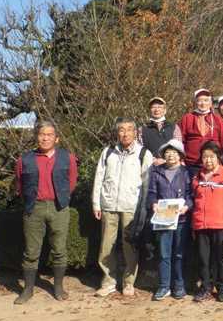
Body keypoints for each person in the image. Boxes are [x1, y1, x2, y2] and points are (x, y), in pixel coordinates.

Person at [13, 120, 78, 304]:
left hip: (59, 207)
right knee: (31, 252)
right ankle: (28, 289)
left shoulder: (68, 157)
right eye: (42, 134)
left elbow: (72, 181)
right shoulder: (24, 159)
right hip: (34, 208)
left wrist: (62, 197)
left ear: (56, 138)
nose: (45, 137)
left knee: (59, 250)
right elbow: (19, 184)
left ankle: (58, 287)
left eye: (50, 134)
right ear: (37, 137)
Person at [92, 118, 154, 297]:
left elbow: (147, 184)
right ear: (117, 133)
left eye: (129, 130)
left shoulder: (143, 153)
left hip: (131, 206)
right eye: (121, 130)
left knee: (130, 246)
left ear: (135, 133)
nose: (125, 133)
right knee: (106, 246)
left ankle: (129, 282)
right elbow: (99, 178)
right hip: (109, 205)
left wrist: (144, 208)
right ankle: (108, 281)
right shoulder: (108, 152)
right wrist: (96, 203)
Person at [191, 141, 223, 302]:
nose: (208, 160)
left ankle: (222, 289)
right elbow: (193, 199)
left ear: (218, 157)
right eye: (205, 157)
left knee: (222, 259)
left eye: (212, 157)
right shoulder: (196, 177)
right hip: (202, 225)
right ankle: (205, 287)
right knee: (203, 259)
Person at [146, 139, 192, 301]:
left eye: (174, 152)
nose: (170, 155)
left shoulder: (186, 173)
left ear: (180, 156)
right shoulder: (156, 172)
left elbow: (190, 195)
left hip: (181, 220)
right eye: (167, 152)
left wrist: (187, 206)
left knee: (179, 254)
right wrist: (153, 204)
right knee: (164, 254)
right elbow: (151, 193)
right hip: (163, 219)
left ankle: (179, 285)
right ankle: (164, 285)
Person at [177, 88, 223, 177]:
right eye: (200, 100)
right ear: (195, 102)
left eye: (206, 100)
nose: (203, 103)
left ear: (211, 103)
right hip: (191, 164)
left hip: (212, 164)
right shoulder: (187, 118)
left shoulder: (218, 120)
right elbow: (179, 140)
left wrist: (221, 161)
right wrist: (180, 160)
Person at [138, 96, 176, 165]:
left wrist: (166, 160)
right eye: (153, 107)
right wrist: (153, 160)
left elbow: (178, 147)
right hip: (149, 166)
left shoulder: (174, 127)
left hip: (170, 166)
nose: (156, 110)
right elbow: (139, 148)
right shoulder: (142, 129)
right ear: (149, 110)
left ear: (165, 110)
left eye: (159, 107)